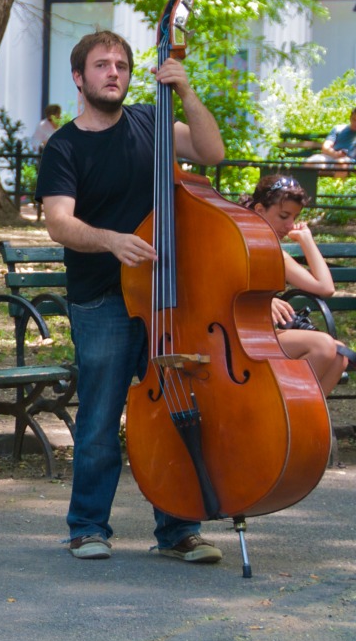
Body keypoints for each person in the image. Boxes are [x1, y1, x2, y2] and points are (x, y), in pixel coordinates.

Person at [35, 29, 226, 563]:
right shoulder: (65, 146)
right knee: (100, 415)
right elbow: (59, 223)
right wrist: (111, 241)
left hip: (166, 296)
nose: (113, 72)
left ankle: (179, 529)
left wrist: (185, 89)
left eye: (121, 64)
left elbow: (212, 151)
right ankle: (88, 527)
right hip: (102, 298)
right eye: (101, 65)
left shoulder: (152, 120)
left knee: (175, 406)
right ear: (80, 77)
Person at [240, 174, 348, 394]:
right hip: (238, 338)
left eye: (295, 217)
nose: (290, 225)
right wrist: (261, 303)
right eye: (283, 216)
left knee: (340, 355)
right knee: (322, 346)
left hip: (264, 335)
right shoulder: (233, 240)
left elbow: (325, 288)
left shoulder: (275, 251)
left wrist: (307, 240)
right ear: (260, 210)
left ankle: (301, 425)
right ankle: (277, 417)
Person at [304, 108, 356, 176]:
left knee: (341, 163)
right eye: (354, 119)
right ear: (350, 118)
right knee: (311, 162)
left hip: (348, 160)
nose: (355, 123)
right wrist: (335, 154)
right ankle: (303, 186)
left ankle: (337, 186)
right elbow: (326, 147)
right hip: (330, 156)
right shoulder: (338, 129)